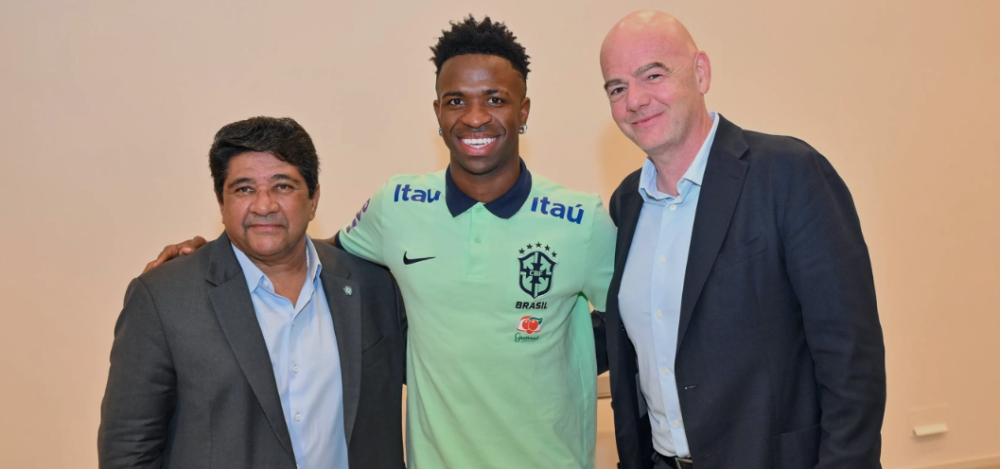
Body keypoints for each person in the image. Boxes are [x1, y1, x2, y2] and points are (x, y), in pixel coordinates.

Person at [143, 17, 615, 469]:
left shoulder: (580, 219)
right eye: (455, 101)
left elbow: (637, 316)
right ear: (436, 112)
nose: (474, 117)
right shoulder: (398, 204)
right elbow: (323, 255)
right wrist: (214, 255)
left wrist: (555, 355)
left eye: (495, 99)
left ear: (524, 109)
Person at [599, 11, 886, 469]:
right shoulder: (626, 204)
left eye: (652, 74)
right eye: (616, 88)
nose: (634, 100)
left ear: (700, 72)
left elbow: (851, 359)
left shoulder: (789, 174)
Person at [98, 117, 407, 469]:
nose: (264, 205)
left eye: (283, 187)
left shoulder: (374, 286)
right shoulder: (164, 298)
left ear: (313, 199)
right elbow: (129, 450)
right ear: (221, 201)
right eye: (244, 189)